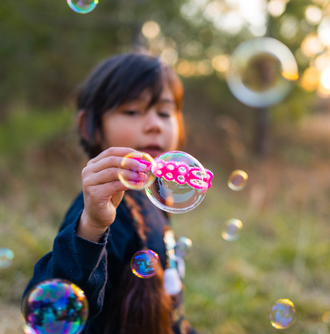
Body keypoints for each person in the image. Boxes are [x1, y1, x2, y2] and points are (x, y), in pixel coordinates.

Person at [23, 52, 198, 334]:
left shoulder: (155, 193)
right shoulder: (101, 211)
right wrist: (92, 226)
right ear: (89, 127)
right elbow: (54, 309)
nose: (154, 124)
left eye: (165, 112)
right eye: (132, 111)